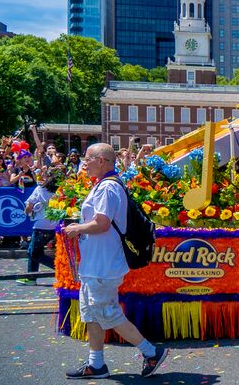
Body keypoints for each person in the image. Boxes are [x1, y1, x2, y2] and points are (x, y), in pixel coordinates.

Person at [62, 143, 167, 379]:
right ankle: (96, 364)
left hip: (104, 264)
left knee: (108, 314)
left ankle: (151, 352)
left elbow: (102, 223)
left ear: (102, 160)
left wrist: (77, 228)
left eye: (87, 159)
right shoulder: (103, 185)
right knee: (91, 313)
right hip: (95, 264)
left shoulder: (108, 187)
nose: (84, 163)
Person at [20, 172, 60, 284]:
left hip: (41, 226)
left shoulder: (40, 189)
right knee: (32, 251)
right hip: (55, 226)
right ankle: (31, 277)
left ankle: (60, 269)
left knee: (34, 253)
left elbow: (29, 206)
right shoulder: (61, 191)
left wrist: (27, 211)